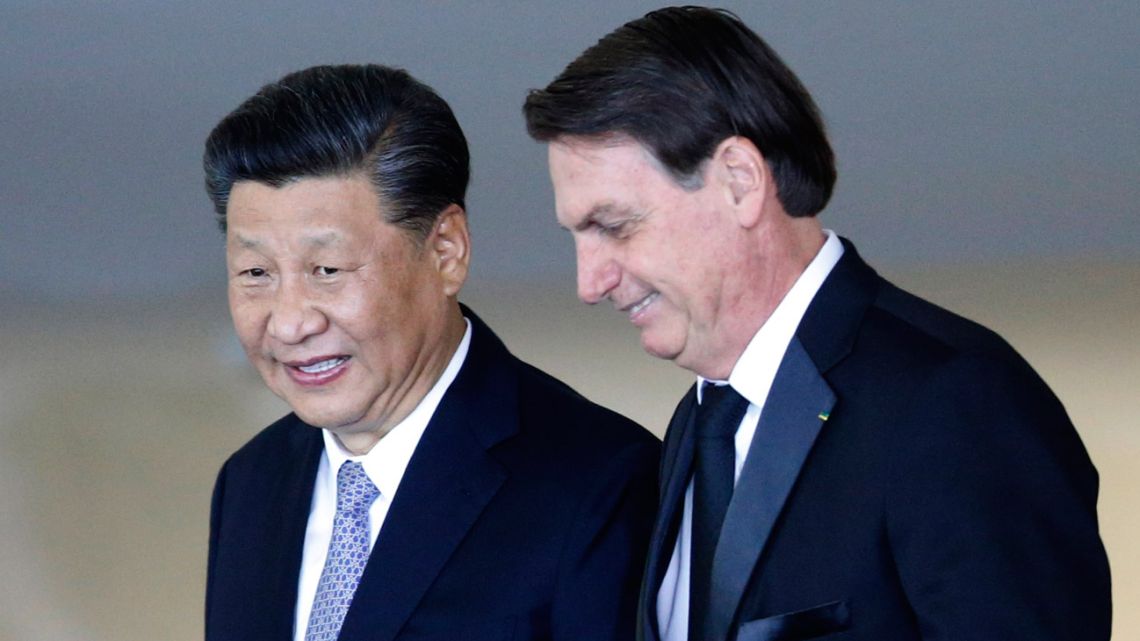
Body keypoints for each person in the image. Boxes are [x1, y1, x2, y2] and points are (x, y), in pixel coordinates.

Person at [523, 6, 1111, 641]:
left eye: (613, 226)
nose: (589, 283)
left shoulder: (955, 402)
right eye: (577, 237)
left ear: (740, 181)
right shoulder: (701, 422)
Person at [202, 64, 659, 641]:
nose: (290, 322)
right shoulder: (252, 482)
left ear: (445, 251)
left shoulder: (597, 484)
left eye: (327, 269)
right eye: (255, 272)